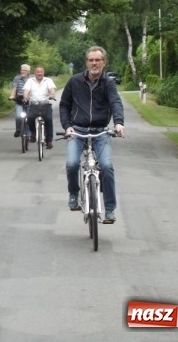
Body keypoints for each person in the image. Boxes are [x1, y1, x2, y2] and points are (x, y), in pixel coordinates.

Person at [59, 46, 125, 223]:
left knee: (107, 167)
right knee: (72, 164)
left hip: (100, 131)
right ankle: (74, 193)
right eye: (91, 60)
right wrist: (67, 126)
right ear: (86, 62)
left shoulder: (108, 83)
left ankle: (109, 209)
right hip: (77, 130)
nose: (94, 63)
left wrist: (118, 123)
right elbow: (64, 105)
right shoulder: (75, 81)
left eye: (98, 60)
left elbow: (115, 102)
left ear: (104, 62)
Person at [23, 65, 57, 149]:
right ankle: (33, 133)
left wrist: (52, 94)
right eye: (38, 72)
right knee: (29, 118)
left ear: (43, 73)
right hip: (34, 104)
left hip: (45, 104)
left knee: (48, 120)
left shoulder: (48, 80)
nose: (40, 73)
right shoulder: (30, 81)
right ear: (35, 73)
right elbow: (26, 90)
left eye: (41, 72)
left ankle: (49, 141)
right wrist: (25, 96)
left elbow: (52, 89)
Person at [8, 64, 31, 137]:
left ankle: (29, 133)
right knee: (18, 116)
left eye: (24, 70)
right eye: (21, 70)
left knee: (30, 117)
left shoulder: (32, 79)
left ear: (28, 71)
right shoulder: (17, 78)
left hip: (30, 101)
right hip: (20, 101)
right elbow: (14, 88)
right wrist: (12, 96)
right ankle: (18, 129)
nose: (22, 71)